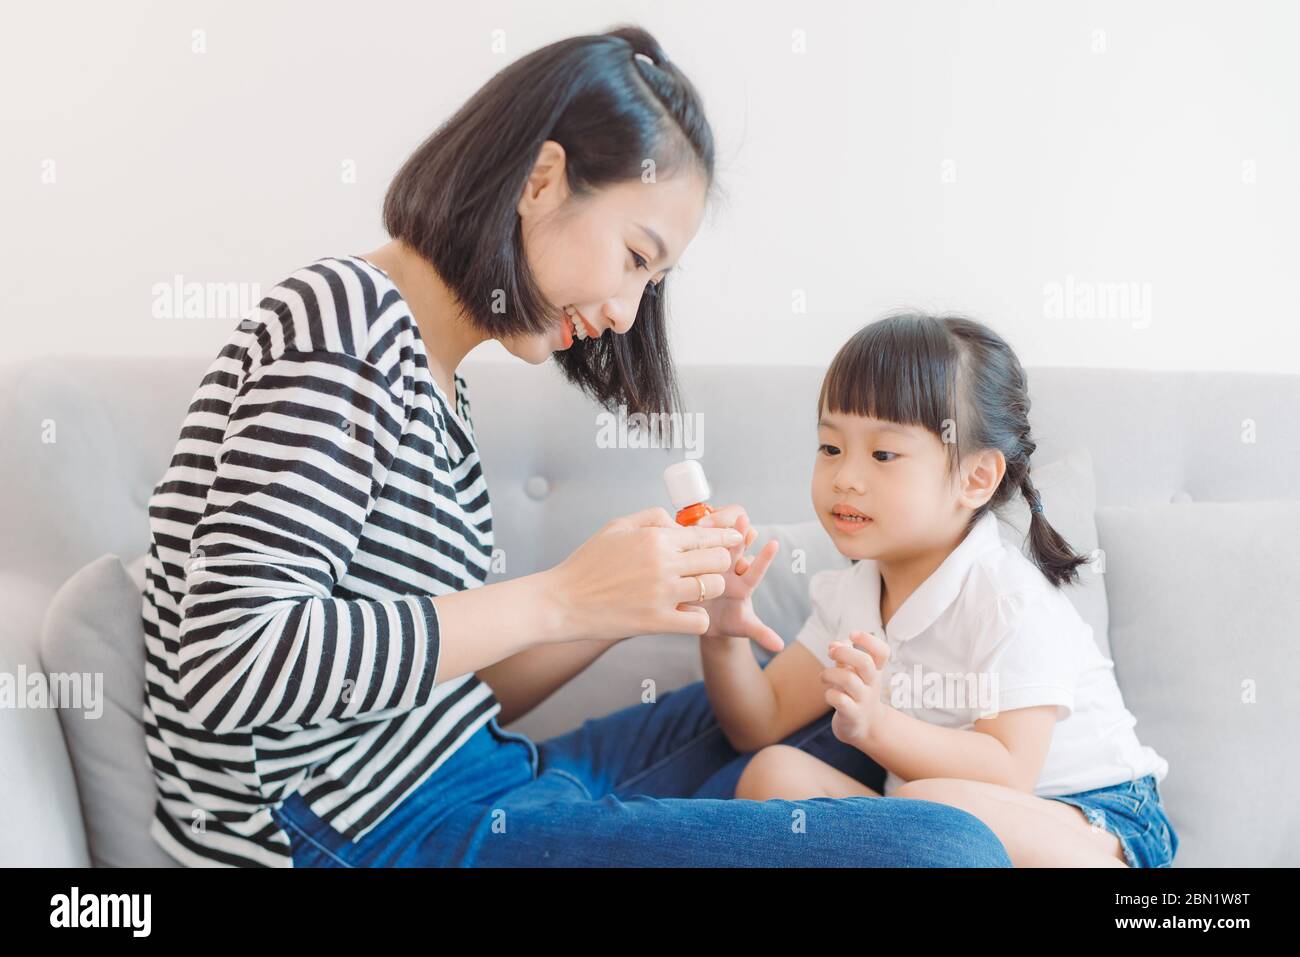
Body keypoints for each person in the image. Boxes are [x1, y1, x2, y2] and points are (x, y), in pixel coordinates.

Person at [140, 26, 1011, 867]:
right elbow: (229, 664)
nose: (629, 314)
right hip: (361, 833)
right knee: (950, 849)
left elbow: (433, 691)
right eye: (636, 255)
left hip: (473, 780)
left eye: (652, 279)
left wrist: (623, 602)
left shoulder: (433, 375)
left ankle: (1086, 824)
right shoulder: (341, 320)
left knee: (820, 713)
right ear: (542, 178)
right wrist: (562, 596)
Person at [697, 312, 1178, 867]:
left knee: (929, 803)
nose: (845, 477)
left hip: (1099, 825)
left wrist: (876, 725)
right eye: (830, 448)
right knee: (774, 774)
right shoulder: (853, 595)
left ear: (975, 479)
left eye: (883, 455)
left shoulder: (1007, 598)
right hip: (941, 829)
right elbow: (757, 723)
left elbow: (1009, 769)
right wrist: (722, 633)